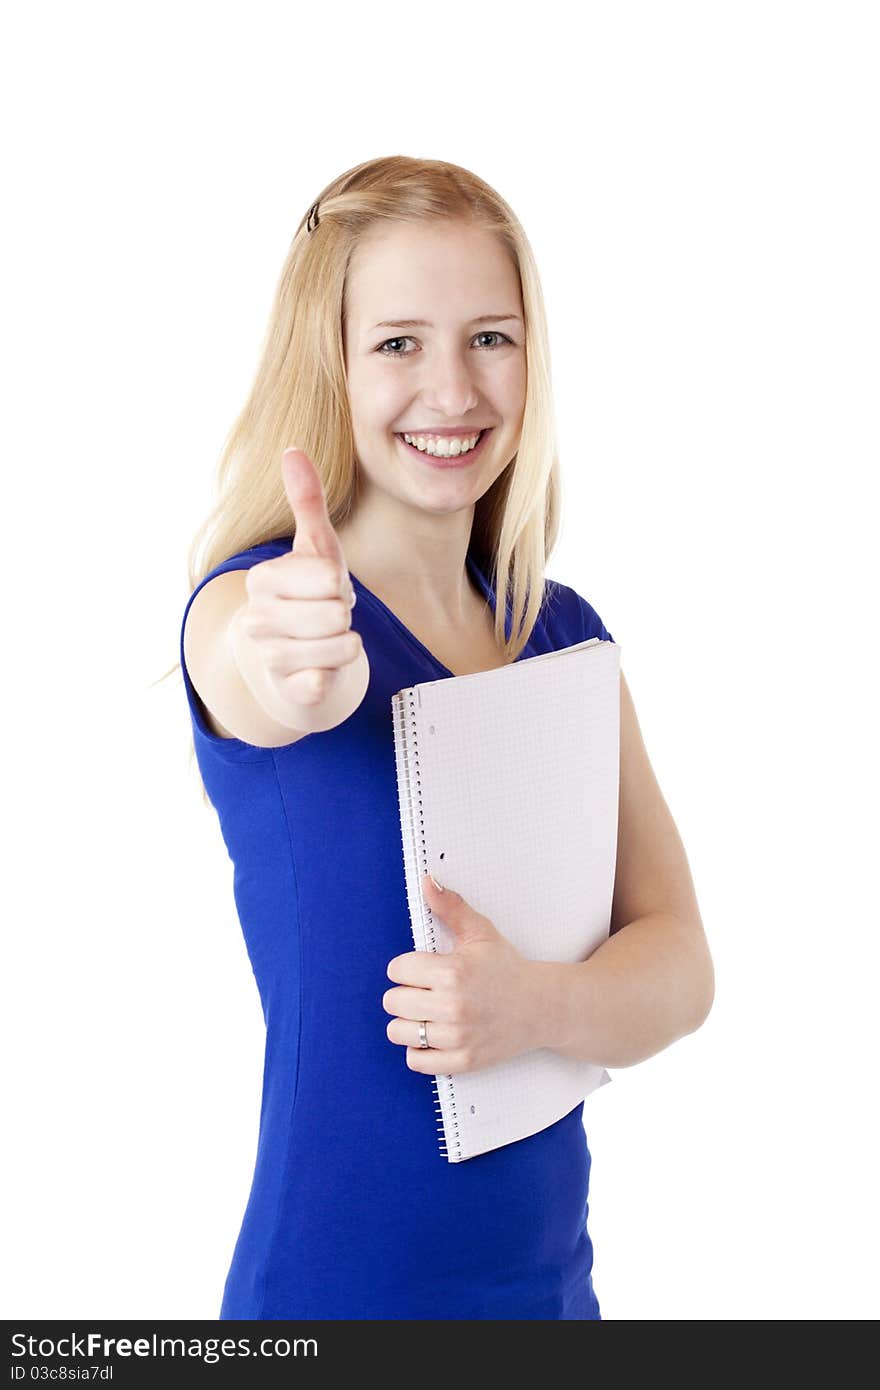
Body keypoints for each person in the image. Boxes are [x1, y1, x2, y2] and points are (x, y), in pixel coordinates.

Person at [175, 156, 714, 1320]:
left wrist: (532, 1008)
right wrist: (296, 662)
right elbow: (266, 683)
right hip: (331, 1301)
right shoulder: (254, 606)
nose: (452, 389)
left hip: (550, 1299)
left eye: (490, 337)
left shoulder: (565, 636)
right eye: (397, 343)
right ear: (329, 363)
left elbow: (678, 965)